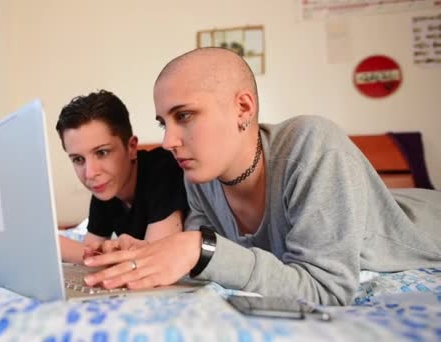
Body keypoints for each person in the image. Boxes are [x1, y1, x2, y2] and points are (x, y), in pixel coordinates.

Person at [81, 48, 441, 305]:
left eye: (185, 116)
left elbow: (328, 290)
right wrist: (151, 253)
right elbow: (219, 260)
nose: (168, 141)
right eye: (164, 122)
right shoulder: (199, 178)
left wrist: (198, 248)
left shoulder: (313, 146)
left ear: (243, 108)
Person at [56, 90, 188, 264]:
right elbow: (92, 255)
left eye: (102, 152)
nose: (90, 173)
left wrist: (56, 246)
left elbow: (152, 262)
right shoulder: (105, 188)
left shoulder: (164, 168)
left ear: (132, 147)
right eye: (78, 159)